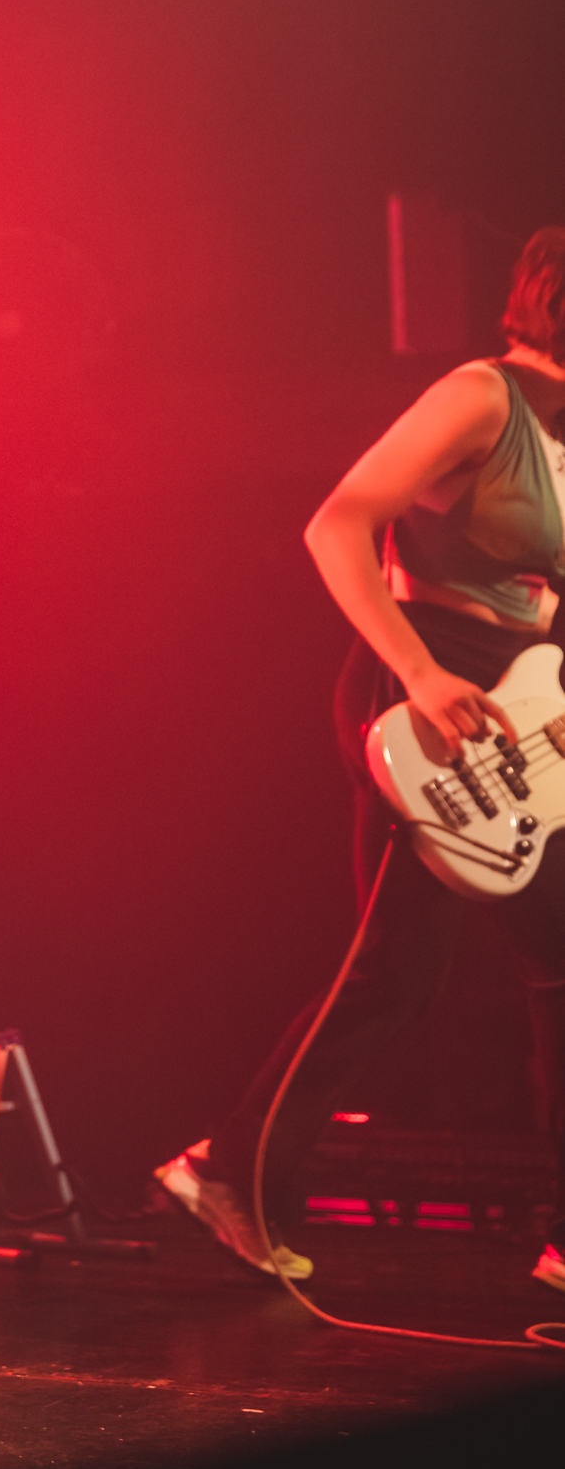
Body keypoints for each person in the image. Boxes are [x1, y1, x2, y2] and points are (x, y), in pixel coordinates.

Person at [157, 228, 565, 1292]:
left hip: (515, 706)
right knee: (394, 973)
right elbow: (334, 527)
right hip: (416, 688)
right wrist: (421, 674)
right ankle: (228, 1167)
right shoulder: (481, 399)